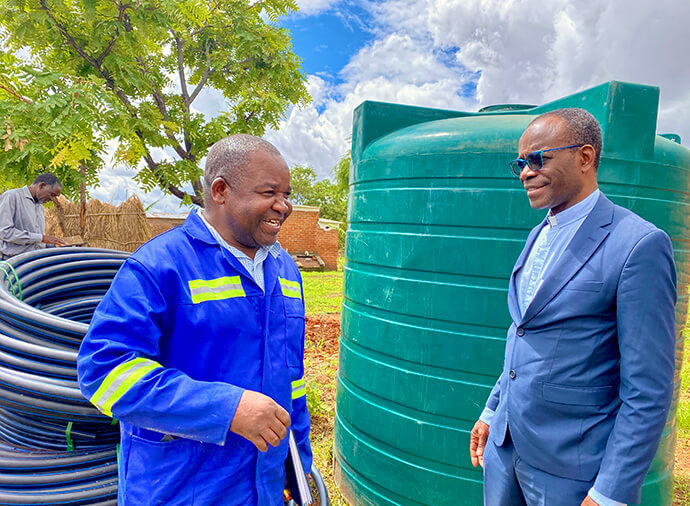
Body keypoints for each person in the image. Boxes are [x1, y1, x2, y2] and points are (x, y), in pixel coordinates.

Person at [77, 134, 311, 505]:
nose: (283, 206)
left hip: (262, 488)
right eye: (269, 193)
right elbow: (104, 371)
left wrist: (298, 469)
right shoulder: (159, 266)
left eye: (287, 194)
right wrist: (225, 408)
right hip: (180, 487)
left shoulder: (284, 269)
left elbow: (291, 380)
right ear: (221, 190)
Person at [469, 108, 676, 506]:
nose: (526, 172)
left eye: (538, 159)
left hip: (570, 473)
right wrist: (492, 412)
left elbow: (648, 391)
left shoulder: (638, 245)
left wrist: (610, 492)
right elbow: (525, 333)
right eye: (520, 163)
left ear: (584, 157)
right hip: (504, 452)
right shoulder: (538, 234)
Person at [0, 173, 66, 259]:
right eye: (52, 195)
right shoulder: (12, 196)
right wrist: (41, 238)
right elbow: (4, 232)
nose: (52, 199)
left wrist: (58, 244)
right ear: (42, 185)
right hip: (14, 262)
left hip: (35, 261)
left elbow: (35, 241)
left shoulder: (40, 206)